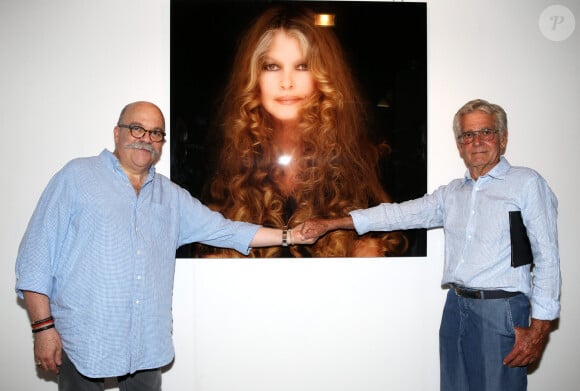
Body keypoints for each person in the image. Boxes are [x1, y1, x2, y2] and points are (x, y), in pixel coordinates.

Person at [15, 101, 314, 390]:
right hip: (82, 340)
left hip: (146, 346)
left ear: (162, 143)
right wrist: (43, 329)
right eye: (137, 129)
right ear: (117, 133)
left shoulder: (171, 197)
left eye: (156, 133)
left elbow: (224, 230)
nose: (146, 139)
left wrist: (290, 236)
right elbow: (35, 257)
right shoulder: (76, 177)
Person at [300, 99, 561, 390]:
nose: (476, 142)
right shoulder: (451, 193)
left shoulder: (526, 183)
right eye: (467, 135)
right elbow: (397, 214)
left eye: (485, 132)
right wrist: (332, 223)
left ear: (503, 137)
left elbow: (547, 256)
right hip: (455, 307)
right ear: (459, 145)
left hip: (501, 311)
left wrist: (540, 328)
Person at [196, 5, 407, 258]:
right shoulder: (231, 169)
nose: (287, 83)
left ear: (323, 76)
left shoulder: (357, 164)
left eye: (302, 66)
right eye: (272, 66)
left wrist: (369, 251)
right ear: (253, 77)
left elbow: (386, 246)